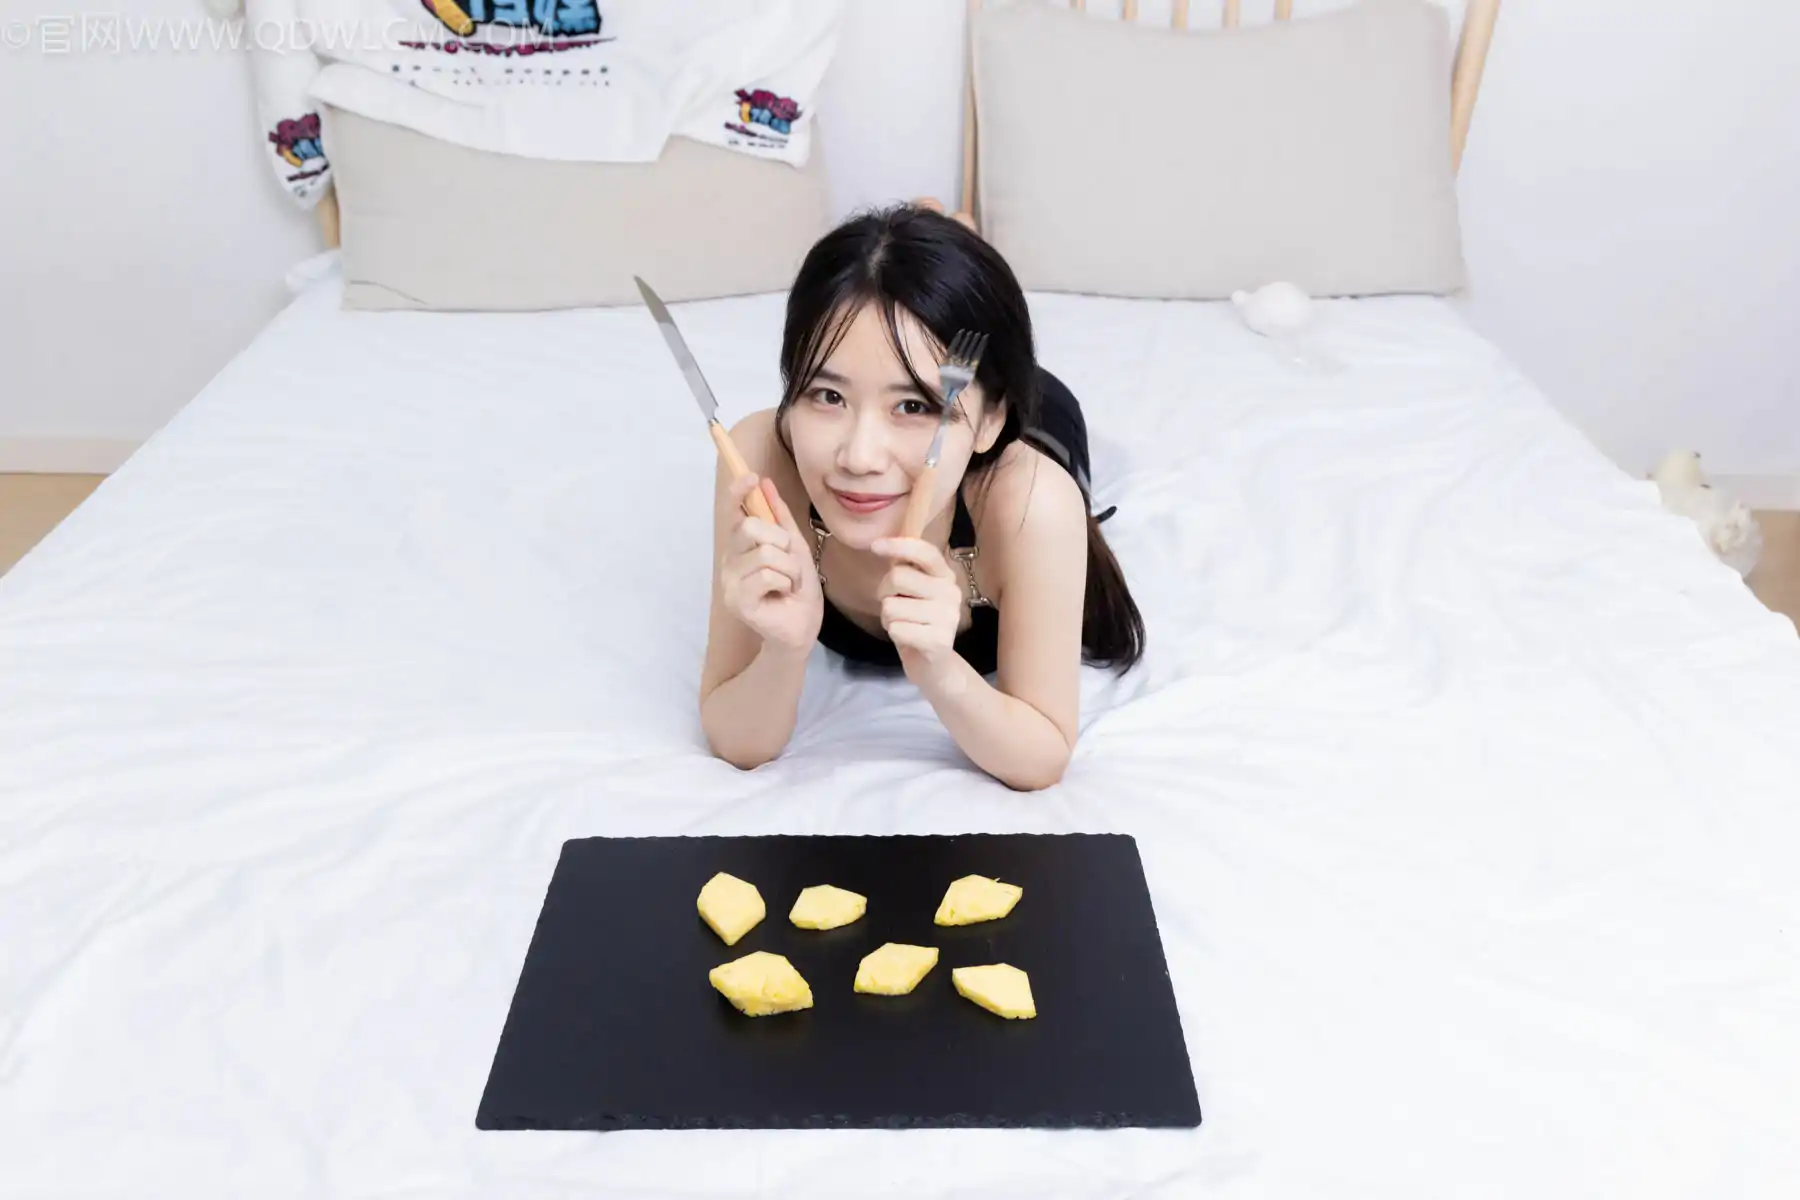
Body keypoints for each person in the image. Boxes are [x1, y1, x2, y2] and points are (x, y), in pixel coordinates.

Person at [698, 203, 1143, 790]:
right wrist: (783, 652)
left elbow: (1041, 757)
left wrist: (939, 669)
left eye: (913, 406)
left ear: (989, 419)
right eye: (828, 396)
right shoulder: (757, 461)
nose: (859, 457)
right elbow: (735, 737)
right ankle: (935, 233)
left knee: (962, 337)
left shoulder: (1034, 503)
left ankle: (950, 232)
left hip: (1032, 428)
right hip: (960, 393)